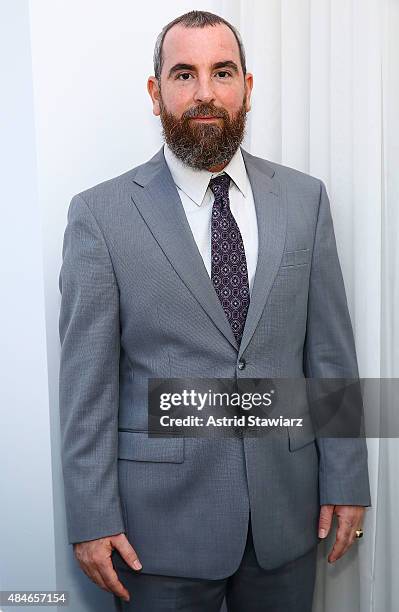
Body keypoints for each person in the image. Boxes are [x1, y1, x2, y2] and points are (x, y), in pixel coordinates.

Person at [58, 10, 371, 612]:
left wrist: (346, 477)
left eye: (222, 72)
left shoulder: (305, 200)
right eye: (184, 74)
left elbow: (331, 356)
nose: (205, 92)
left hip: (287, 518)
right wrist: (90, 516)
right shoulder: (100, 216)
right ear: (156, 94)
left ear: (247, 87)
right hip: (154, 537)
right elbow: (87, 386)